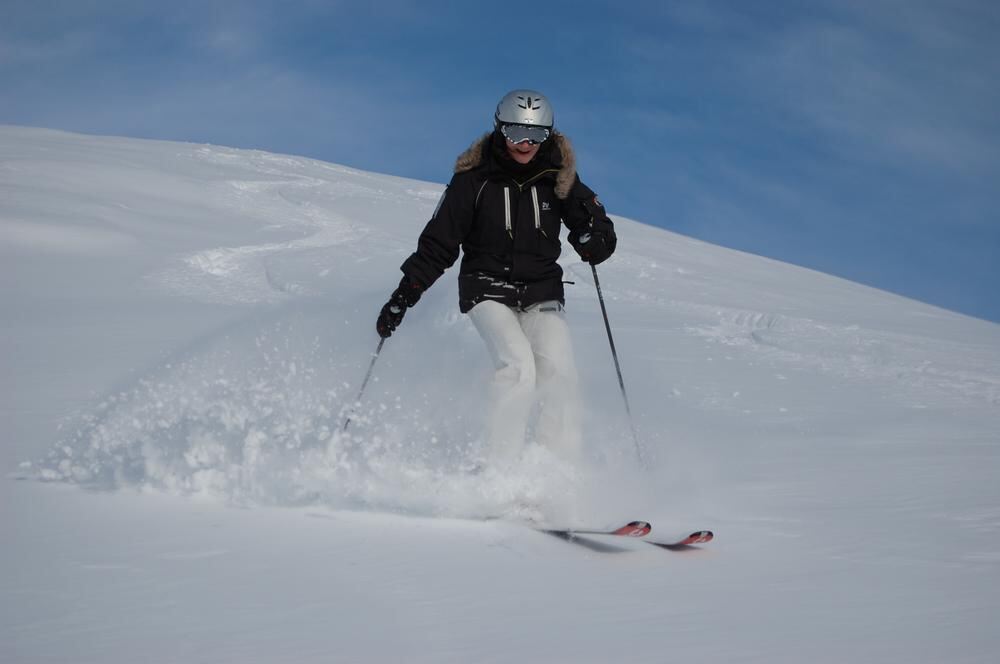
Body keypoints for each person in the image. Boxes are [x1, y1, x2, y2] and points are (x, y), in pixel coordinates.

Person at [375, 89, 616, 469]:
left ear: (549, 136)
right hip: (487, 288)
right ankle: (500, 474)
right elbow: (439, 242)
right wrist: (405, 294)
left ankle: (550, 477)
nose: (525, 144)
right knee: (518, 368)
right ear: (499, 129)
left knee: (560, 376)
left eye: (536, 135)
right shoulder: (473, 179)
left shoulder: (559, 176)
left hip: (541, 291)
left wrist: (595, 240)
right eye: (517, 132)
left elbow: (595, 223)